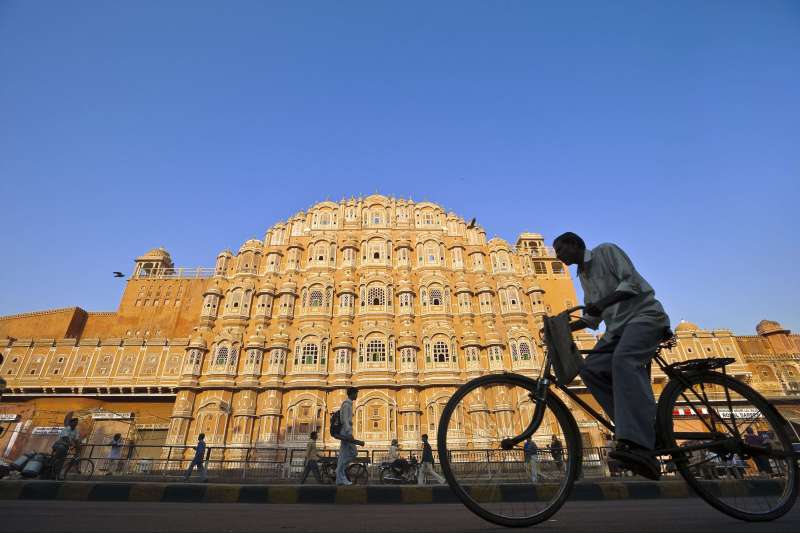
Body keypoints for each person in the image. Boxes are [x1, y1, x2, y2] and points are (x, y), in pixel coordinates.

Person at [554, 232, 670, 480]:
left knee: (623, 361)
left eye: (561, 250)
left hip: (643, 317)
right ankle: (634, 433)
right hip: (617, 329)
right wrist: (564, 328)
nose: (559, 256)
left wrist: (604, 302)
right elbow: (592, 318)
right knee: (589, 369)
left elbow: (631, 284)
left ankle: (640, 435)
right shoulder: (583, 276)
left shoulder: (606, 251)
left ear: (575, 244)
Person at [335, 387, 364, 486]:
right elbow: (345, 420)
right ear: (352, 393)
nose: (357, 395)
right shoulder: (347, 405)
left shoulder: (348, 404)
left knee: (345, 455)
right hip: (346, 432)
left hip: (346, 432)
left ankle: (339, 476)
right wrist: (348, 433)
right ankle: (340, 473)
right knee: (352, 453)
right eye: (356, 393)